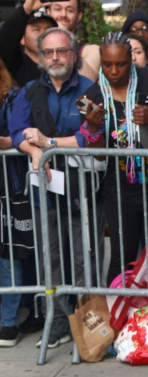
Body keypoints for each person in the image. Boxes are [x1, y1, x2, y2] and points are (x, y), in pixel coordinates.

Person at [9, 27, 106, 348]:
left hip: (80, 191)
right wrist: (37, 152)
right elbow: (18, 130)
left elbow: (89, 136)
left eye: (61, 51)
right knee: (49, 259)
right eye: (49, 52)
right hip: (43, 190)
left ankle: (89, 326)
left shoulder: (88, 90)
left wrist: (48, 143)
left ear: (74, 54)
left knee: (82, 258)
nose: (55, 58)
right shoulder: (31, 91)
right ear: (41, 57)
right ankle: (58, 322)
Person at [84, 33, 148, 285]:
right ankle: (117, 319)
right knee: (121, 258)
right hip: (119, 190)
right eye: (107, 64)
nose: (113, 71)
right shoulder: (90, 97)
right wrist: (92, 129)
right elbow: (99, 153)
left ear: (131, 59)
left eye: (120, 64)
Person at [0, 58, 24, 347]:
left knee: (8, 255)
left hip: (10, 186)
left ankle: (9, 322)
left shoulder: (12, 97)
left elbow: (18, 135)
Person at [0, 0, 58, 87]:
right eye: (36, 29)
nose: (43, 34)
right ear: (22, 39)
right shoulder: (15, 63)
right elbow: (6, 39)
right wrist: (25, 9)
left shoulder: (63, 65)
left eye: (48, 29)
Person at [44, 0, 101, 81]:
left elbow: (88, 80)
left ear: (79, 16)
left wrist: (65, 37)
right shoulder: (37, 48)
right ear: (48, 13)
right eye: (58, 9)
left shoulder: (91, 51)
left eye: (70, 10)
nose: (63, 14)